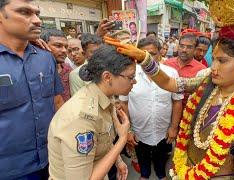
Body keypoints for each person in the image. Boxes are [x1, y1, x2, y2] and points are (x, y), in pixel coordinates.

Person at [104, 0, 234, 177]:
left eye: (222, 61)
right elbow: (170, 83)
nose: (214, 67)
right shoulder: (207, 82)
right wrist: (144, 58)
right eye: (214, 58)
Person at [48, 45, 134, 180]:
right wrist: (122, 139)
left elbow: (103, 138)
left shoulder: (105, 96)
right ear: (107, 77)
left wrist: (118, 161)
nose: (134, 81)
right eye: (130, 77)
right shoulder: (82, 118)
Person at [0, 0, 64, 179]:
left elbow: (57, 102)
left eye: (37, 13)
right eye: (25, 12)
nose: (37, 20)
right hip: (10, 170)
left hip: (52, 161)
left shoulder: (45, 58)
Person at [120, 38, 183, 180]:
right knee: (142, 157)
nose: (147, 59)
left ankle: (161, 175)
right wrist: (128, 130)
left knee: (161, 157)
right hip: (139, 130)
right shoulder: (129, 74)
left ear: (160, 53)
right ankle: (144, 175)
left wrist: (173, 127)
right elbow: (123, 104)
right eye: (143, 54)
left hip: (163, 129)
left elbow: (177, 102)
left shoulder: (171, 73)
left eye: (152, 54)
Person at [164, 33, 206, 109]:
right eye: (182, 46)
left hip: (188, 113)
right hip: (166, 112)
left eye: (189, 47)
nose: (184, 50)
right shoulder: (167, 64)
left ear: (195, 49)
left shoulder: (202, 70)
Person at [41, 29, 72, 101]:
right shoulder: (36, 72)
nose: (64, 50)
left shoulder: (68, 70)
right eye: (58, 46)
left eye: (66, 47)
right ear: (43, 45)